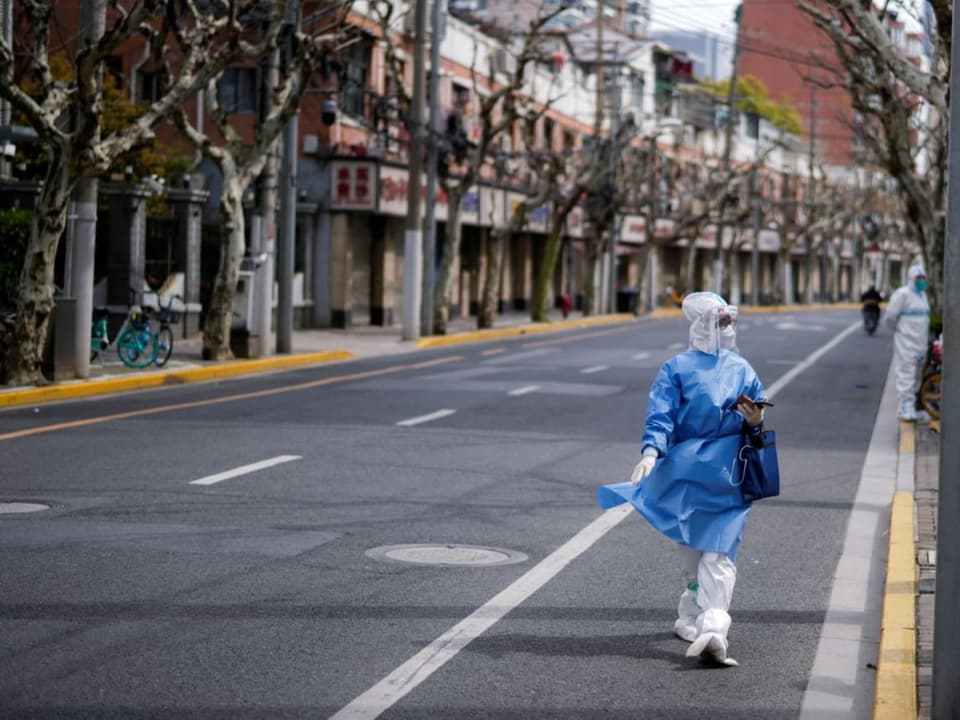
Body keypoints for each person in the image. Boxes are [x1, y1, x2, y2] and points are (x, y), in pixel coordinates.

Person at [596, 292, 768, 666]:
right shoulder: (675, 368)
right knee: (692, 545)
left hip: (730, 475)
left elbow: (759, 413)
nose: (728, 328)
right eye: (721, 321)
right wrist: (650, 452)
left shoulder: (742, 368)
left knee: (720, 550)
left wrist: (754, 421)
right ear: (703, 325)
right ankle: (690, 612)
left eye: (730, 321)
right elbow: (661, 416)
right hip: (686, 471)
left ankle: (713, 627)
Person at [885, 264, 930, 421]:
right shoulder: (902, 294)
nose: (922, 281)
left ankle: (912, 407)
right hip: (906, 342)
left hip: (920, 344)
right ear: (912, 279)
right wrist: (899, 333)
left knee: (917, 376)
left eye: (923, 278)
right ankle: (904, 408)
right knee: (906, 374)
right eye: (919, 278)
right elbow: (890, 317)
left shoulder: (922, 296)